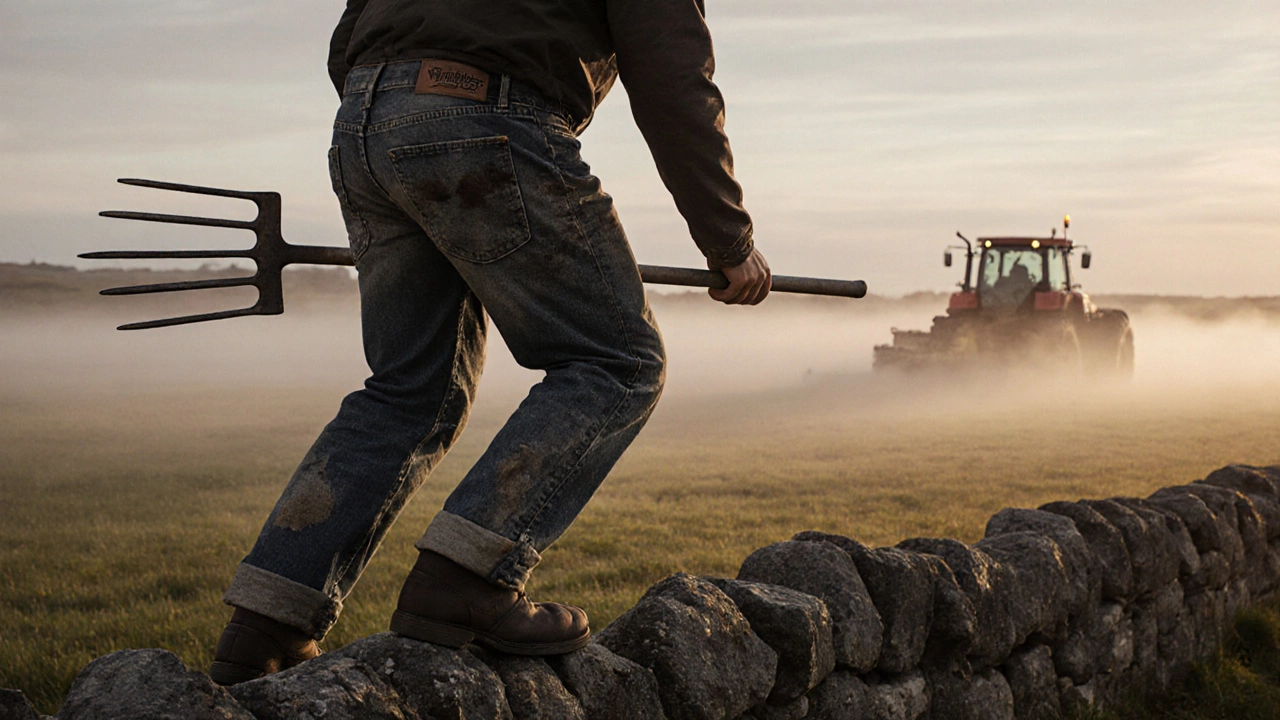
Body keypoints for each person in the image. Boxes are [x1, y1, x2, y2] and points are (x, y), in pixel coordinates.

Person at [209, 0, 770, 684]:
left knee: (410, 391)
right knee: (618, 361)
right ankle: (467, 579)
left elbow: (351, 34)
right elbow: (673, 76)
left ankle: (266, 622)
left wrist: (403, 124)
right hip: (485, 115)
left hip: (365, 118)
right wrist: (729, 240)